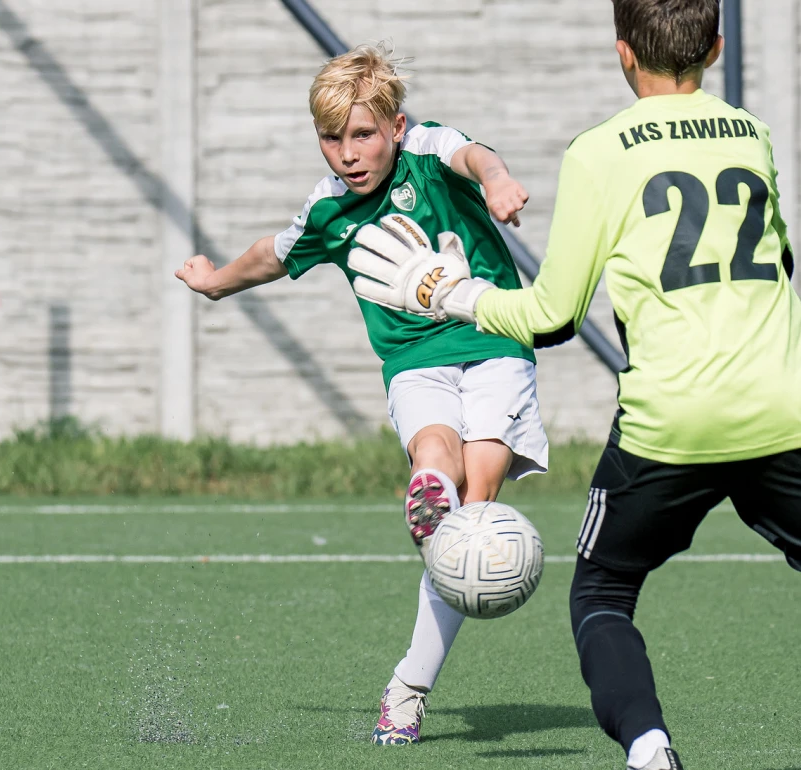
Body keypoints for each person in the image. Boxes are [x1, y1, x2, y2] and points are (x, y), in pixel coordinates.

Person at [339, 2, 801, 766]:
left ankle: (649, 748)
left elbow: (551, 315)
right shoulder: (750, 133)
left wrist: (452, 294)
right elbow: (779, 262)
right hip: (786, 403)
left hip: (672, 419)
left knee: (603, 596)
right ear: (715, 47)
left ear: (623, 52)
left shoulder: (598, 151)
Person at [174, 43, 549, 746]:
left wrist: (499, 181)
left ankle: (409, 684)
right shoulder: (330, 209)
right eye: (331, 138)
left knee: (474, 507)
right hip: (414, 361)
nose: (347, 153)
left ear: (396, 127)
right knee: (437, 466)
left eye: (363, 134)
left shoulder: (428, 151)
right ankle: (428, 500)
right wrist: (215, 282)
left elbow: (476, 157)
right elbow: (272, 255)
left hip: (496, 341)